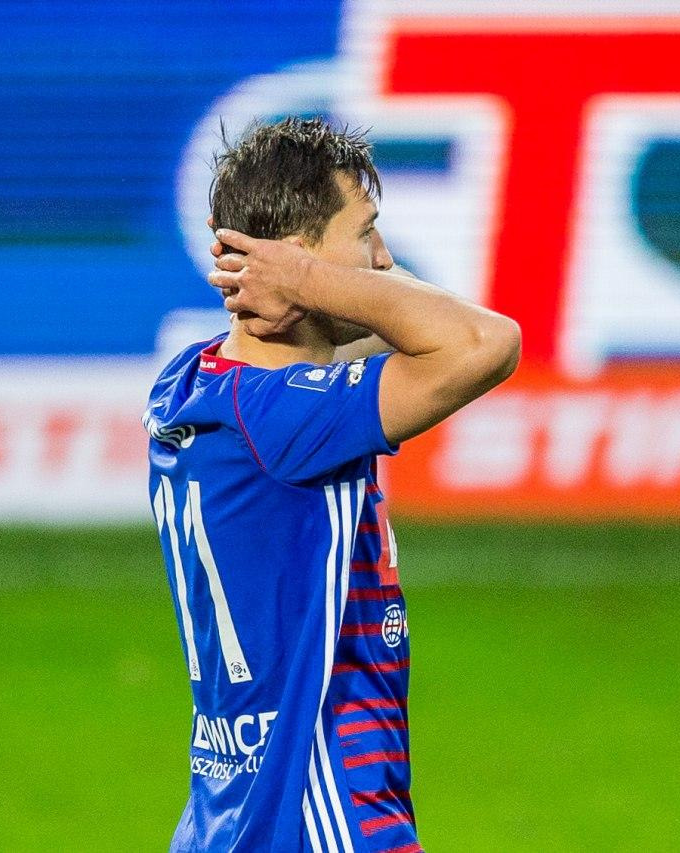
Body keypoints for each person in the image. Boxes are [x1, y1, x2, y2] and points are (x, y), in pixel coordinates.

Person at [145, 117, 520, 852]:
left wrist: (314, 278)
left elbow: (415, 328)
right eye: (366, 232)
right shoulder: (286, 418)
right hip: (321, 812)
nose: (383, 260)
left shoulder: (193, 382)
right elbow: (486, 341)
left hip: (230, 814)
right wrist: (311, 281)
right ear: (294, 257)